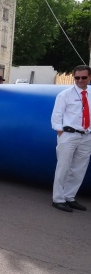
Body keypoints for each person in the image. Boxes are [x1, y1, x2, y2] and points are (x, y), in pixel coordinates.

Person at [50, 65, 91, 212]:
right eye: (77, 77)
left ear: (89, 77)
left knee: (79, 169)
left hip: (86, 136)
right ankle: (58, 199)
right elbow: (56, 116)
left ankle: (69, 197)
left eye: (83, 77)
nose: (80, 80)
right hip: (68, 135)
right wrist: (61, 133)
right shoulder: (65, 95)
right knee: (63, 167)